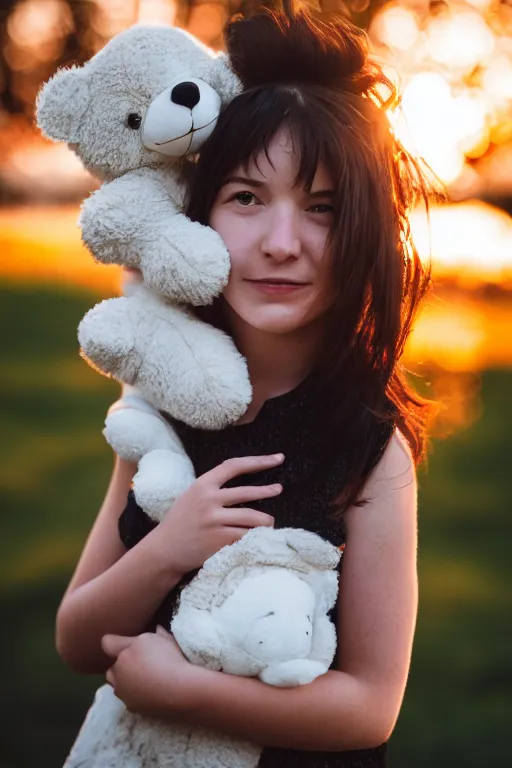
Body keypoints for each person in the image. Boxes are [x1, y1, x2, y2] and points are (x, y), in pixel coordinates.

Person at [55, 3, 437, 765]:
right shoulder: (161, 405)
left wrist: (186, 691)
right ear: (199, 214)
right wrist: (170, 545)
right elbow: (76, 636)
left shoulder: (367, 450)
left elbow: (370, 707)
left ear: (363, 231)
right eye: (247, 199)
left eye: (322, 208)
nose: (282, 243)